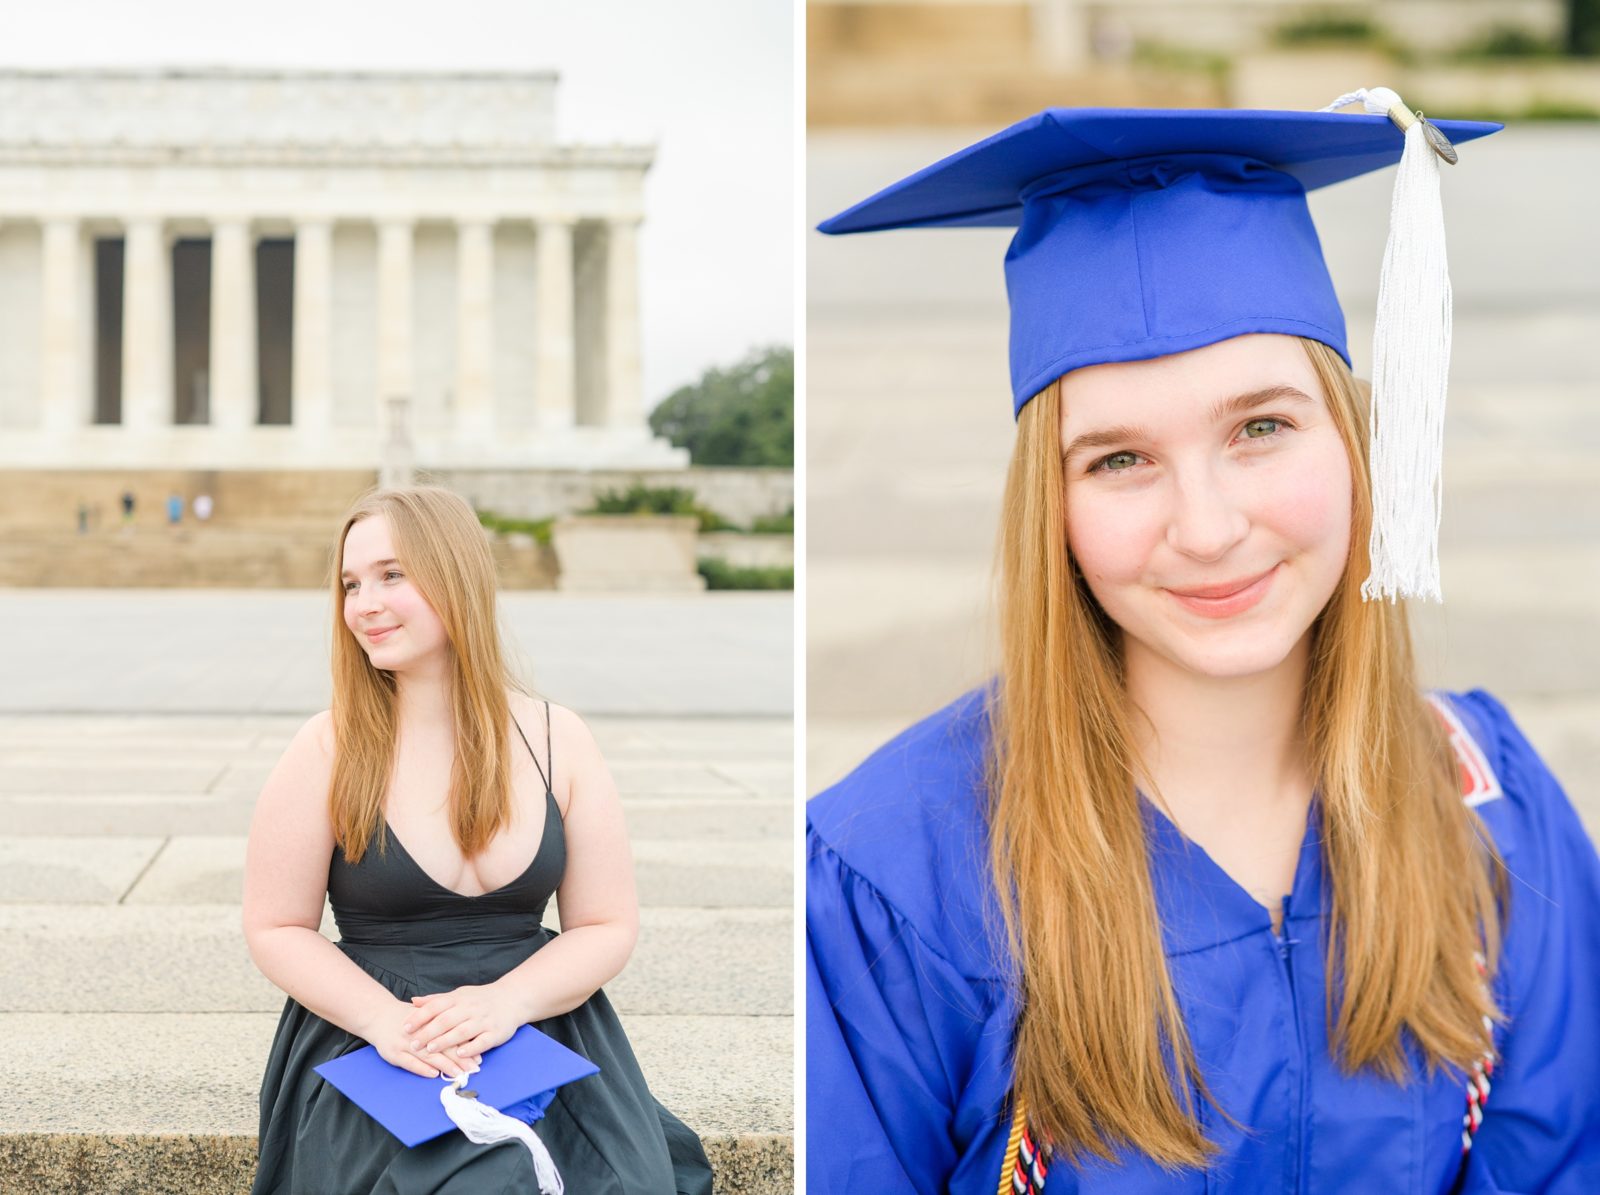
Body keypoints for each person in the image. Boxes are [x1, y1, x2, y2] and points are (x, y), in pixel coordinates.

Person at [807, 97, 1600, 1192]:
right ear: (1053, 508)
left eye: (1261, 427)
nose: (1209, 526)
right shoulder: (896, 882)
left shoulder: (1492, 816)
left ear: (1356, 438)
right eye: (1118, 459)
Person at [243, 486, 712, 1194]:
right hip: (379, 1042)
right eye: (350, 583)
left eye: (391, 575)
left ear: (455, 574)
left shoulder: (560, 738)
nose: (364, 603)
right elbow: (275, 925)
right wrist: (386, 1022)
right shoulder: (328, 746)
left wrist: (508, 1003)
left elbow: (606, 923)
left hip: (538, 1025)